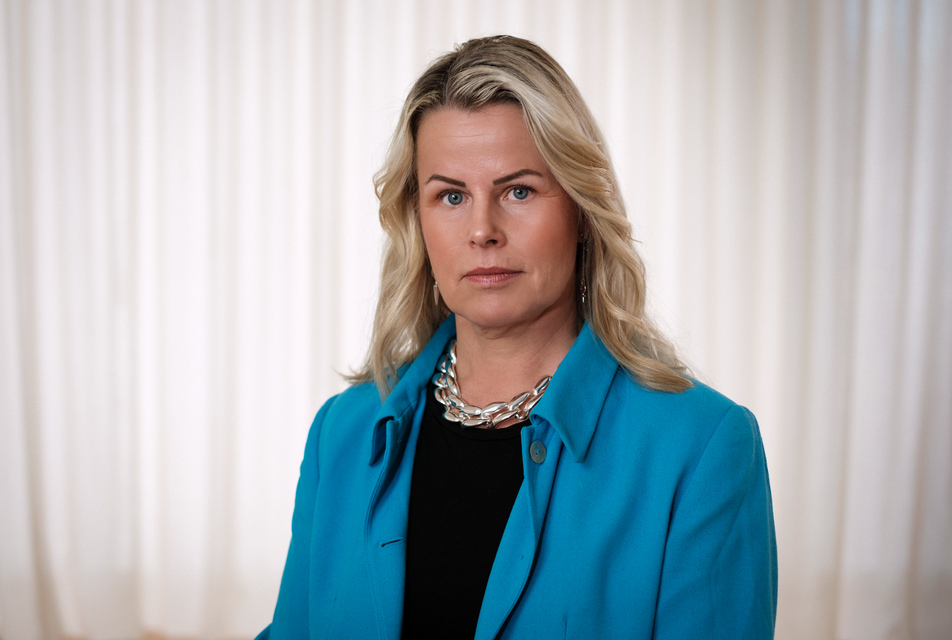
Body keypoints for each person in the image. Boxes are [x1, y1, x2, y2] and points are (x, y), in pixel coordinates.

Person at [257, 35, 776, 639]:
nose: (482, 229)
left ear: (581, 210)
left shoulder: (701, 447)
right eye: (451, 196)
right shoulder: (341, 433)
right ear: (418, 221)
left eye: (519, 191)